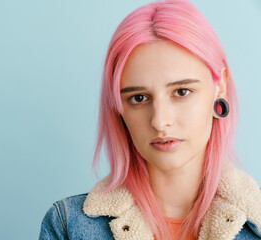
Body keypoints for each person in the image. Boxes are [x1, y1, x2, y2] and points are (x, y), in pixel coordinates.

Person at [38, 0, 261, 239]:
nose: (159, 121)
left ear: (220, 87)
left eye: (182, 92)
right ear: (119, 107)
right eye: (139, 97)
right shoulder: (68, 225)